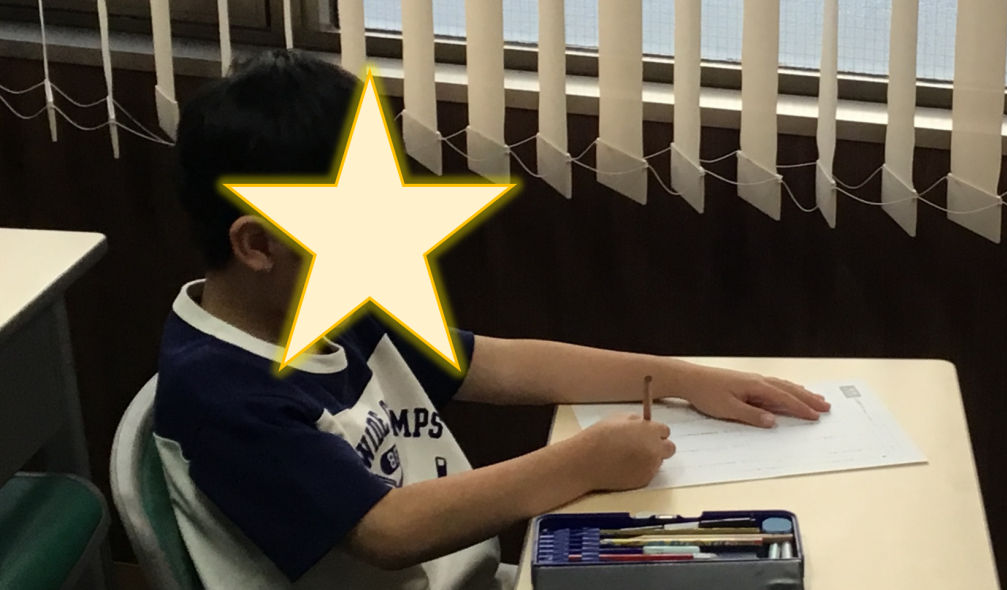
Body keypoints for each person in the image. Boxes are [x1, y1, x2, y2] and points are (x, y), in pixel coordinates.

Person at [153, 48, 831, 590]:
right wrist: (582, 463)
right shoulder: (223, 393)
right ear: (258, 244)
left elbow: (500, 365)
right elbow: (386, 530)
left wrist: (684, 378)